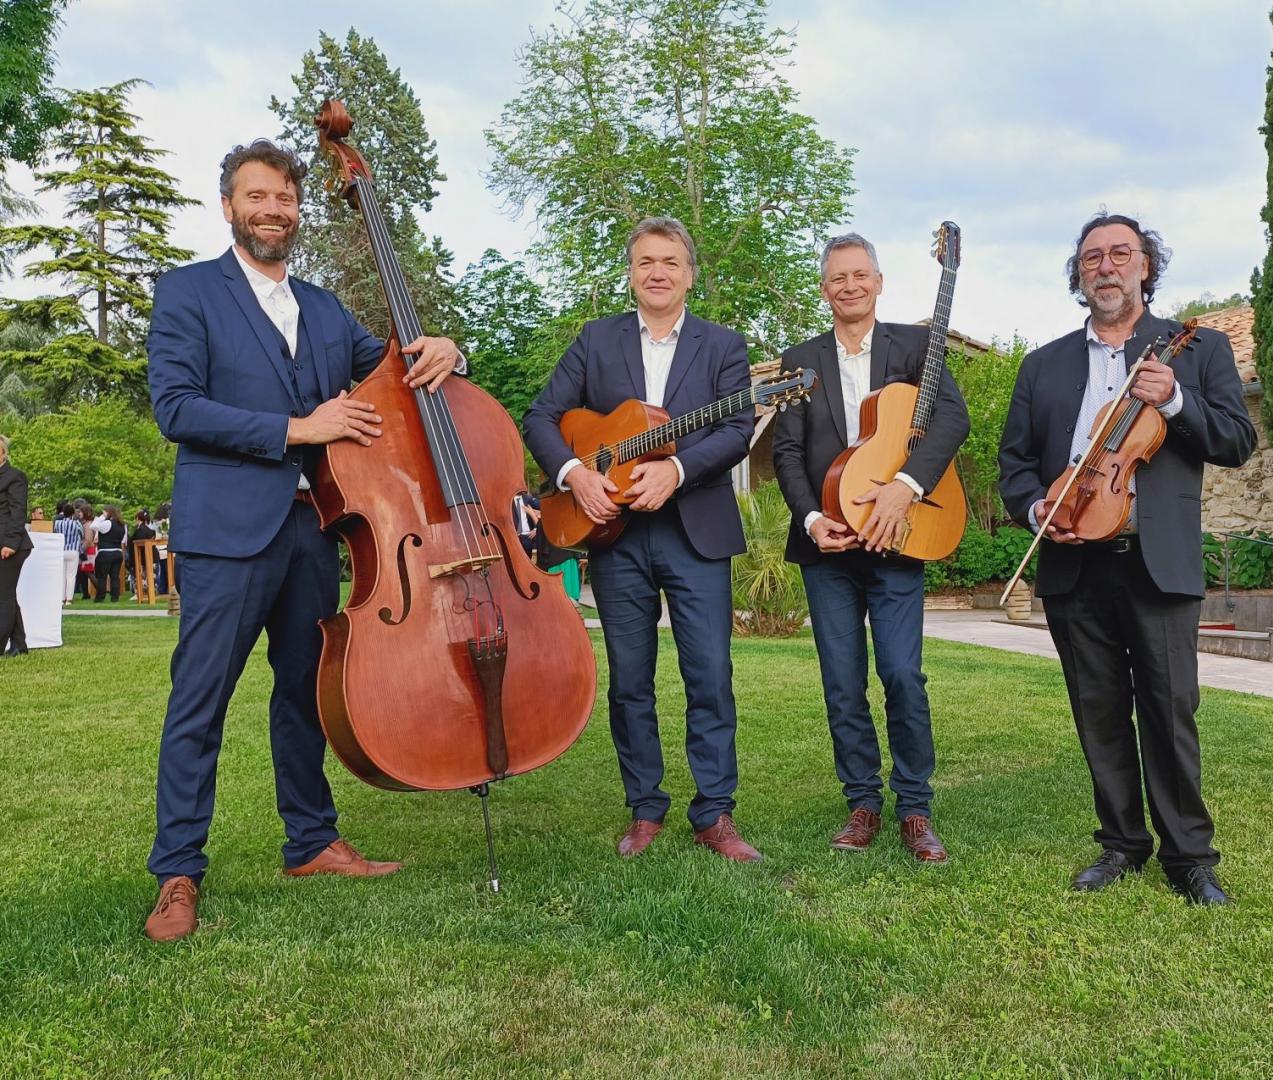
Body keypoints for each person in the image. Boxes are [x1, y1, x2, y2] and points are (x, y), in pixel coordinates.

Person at [141, 139, 465, 942]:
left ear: (297, 210)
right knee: (199, 704)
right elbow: (176, 407)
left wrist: (447, 350)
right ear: (229, 207)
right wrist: (299, 426)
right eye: (257, 196)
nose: (273, 209)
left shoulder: (322, 308)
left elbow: (395, 371)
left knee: (305, 696)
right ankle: (178, 871)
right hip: (226, 533)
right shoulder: (187, 294)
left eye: (285, 197)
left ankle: (311, 841)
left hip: (314, 530)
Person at [997, 212, 1256, 905]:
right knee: (1098, 708)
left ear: (1145, 266)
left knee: (1170, 709)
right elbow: (1015, 465)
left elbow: (1235, 439)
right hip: (1074, 562)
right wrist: (1035, 511)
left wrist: (1173, 399)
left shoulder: (1190, 352)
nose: (1105, 267)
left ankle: (1190, 858)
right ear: (1079, 276)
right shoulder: (1042, 364)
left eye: (1121, 254)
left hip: (1156, 557)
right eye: (1091, 259)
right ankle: (1121, 845)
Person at [523, 216, 759, 862]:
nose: (658, 272)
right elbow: (542, 417)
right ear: (631, 272)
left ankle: (715, 812)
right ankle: (645, 808)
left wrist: (677, 470)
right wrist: (576, 476)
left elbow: (737, 429)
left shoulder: (723, 346)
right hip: (614, 535)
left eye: (670, 262)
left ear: (689, 274)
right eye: (646, 261)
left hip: (696, 531)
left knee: (709, 674)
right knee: (631, 680)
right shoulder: (595, 342)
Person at [771, 233, 969, 863]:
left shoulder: (916, 348)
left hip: (897, 538)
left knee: (903, 674)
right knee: (841, 681)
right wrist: (808, 518)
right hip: (828, 548)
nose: (849, 286)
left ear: (879, 282)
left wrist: (906, 488)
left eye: (860, 275)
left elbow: (951, 421)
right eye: (837, 278)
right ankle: (863, 802)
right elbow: (788, 452)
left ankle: (915, 807)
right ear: (824, 288)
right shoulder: (798, 359)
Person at [0, 434, 32, 656]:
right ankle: (19, 645)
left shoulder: (14, 477)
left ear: (3, 453)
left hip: (12, 545)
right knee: (7, 595)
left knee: (4, 597)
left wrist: (10, 543)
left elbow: (18, 511)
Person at [91, 505, 127, 602]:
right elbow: (124, 539)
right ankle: (115, 597)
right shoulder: (122, 525)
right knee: (114, 576)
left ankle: (100, 597)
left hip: (105, 552)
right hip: (118, 552)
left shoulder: (107, 523)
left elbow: (93, 526)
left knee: (102, 576)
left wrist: (101, 517)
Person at [54, 502, 83, 606]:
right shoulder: (76, 524)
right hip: (73, 550)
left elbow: (55, 534)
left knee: (62, 575)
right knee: (71, 576)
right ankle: (69, 599)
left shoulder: (58, 523)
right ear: (72, 513)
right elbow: (81, 534)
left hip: (61, 550)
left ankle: (61, 599)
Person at [129, 508, 156, 600]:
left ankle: (140, 593)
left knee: (141, 575)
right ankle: (151, 591)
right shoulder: (151, 531)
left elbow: (137, 543)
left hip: (140, 557)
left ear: (138, 519)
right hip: (151, 556)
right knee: (150, 575)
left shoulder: (139, 531)